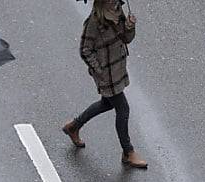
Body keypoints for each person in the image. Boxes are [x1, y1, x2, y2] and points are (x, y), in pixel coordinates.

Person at [62, 0, 148, 169]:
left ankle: (74, 126)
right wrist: (99, 70)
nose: (112, 1)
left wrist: (130, 27)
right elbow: (85, 49)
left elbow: (126, 39)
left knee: (106, 104)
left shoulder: (118, 12)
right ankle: (128, 152)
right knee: (123, 109)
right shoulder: (94, 21)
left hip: (118, 69)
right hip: (107, 75)